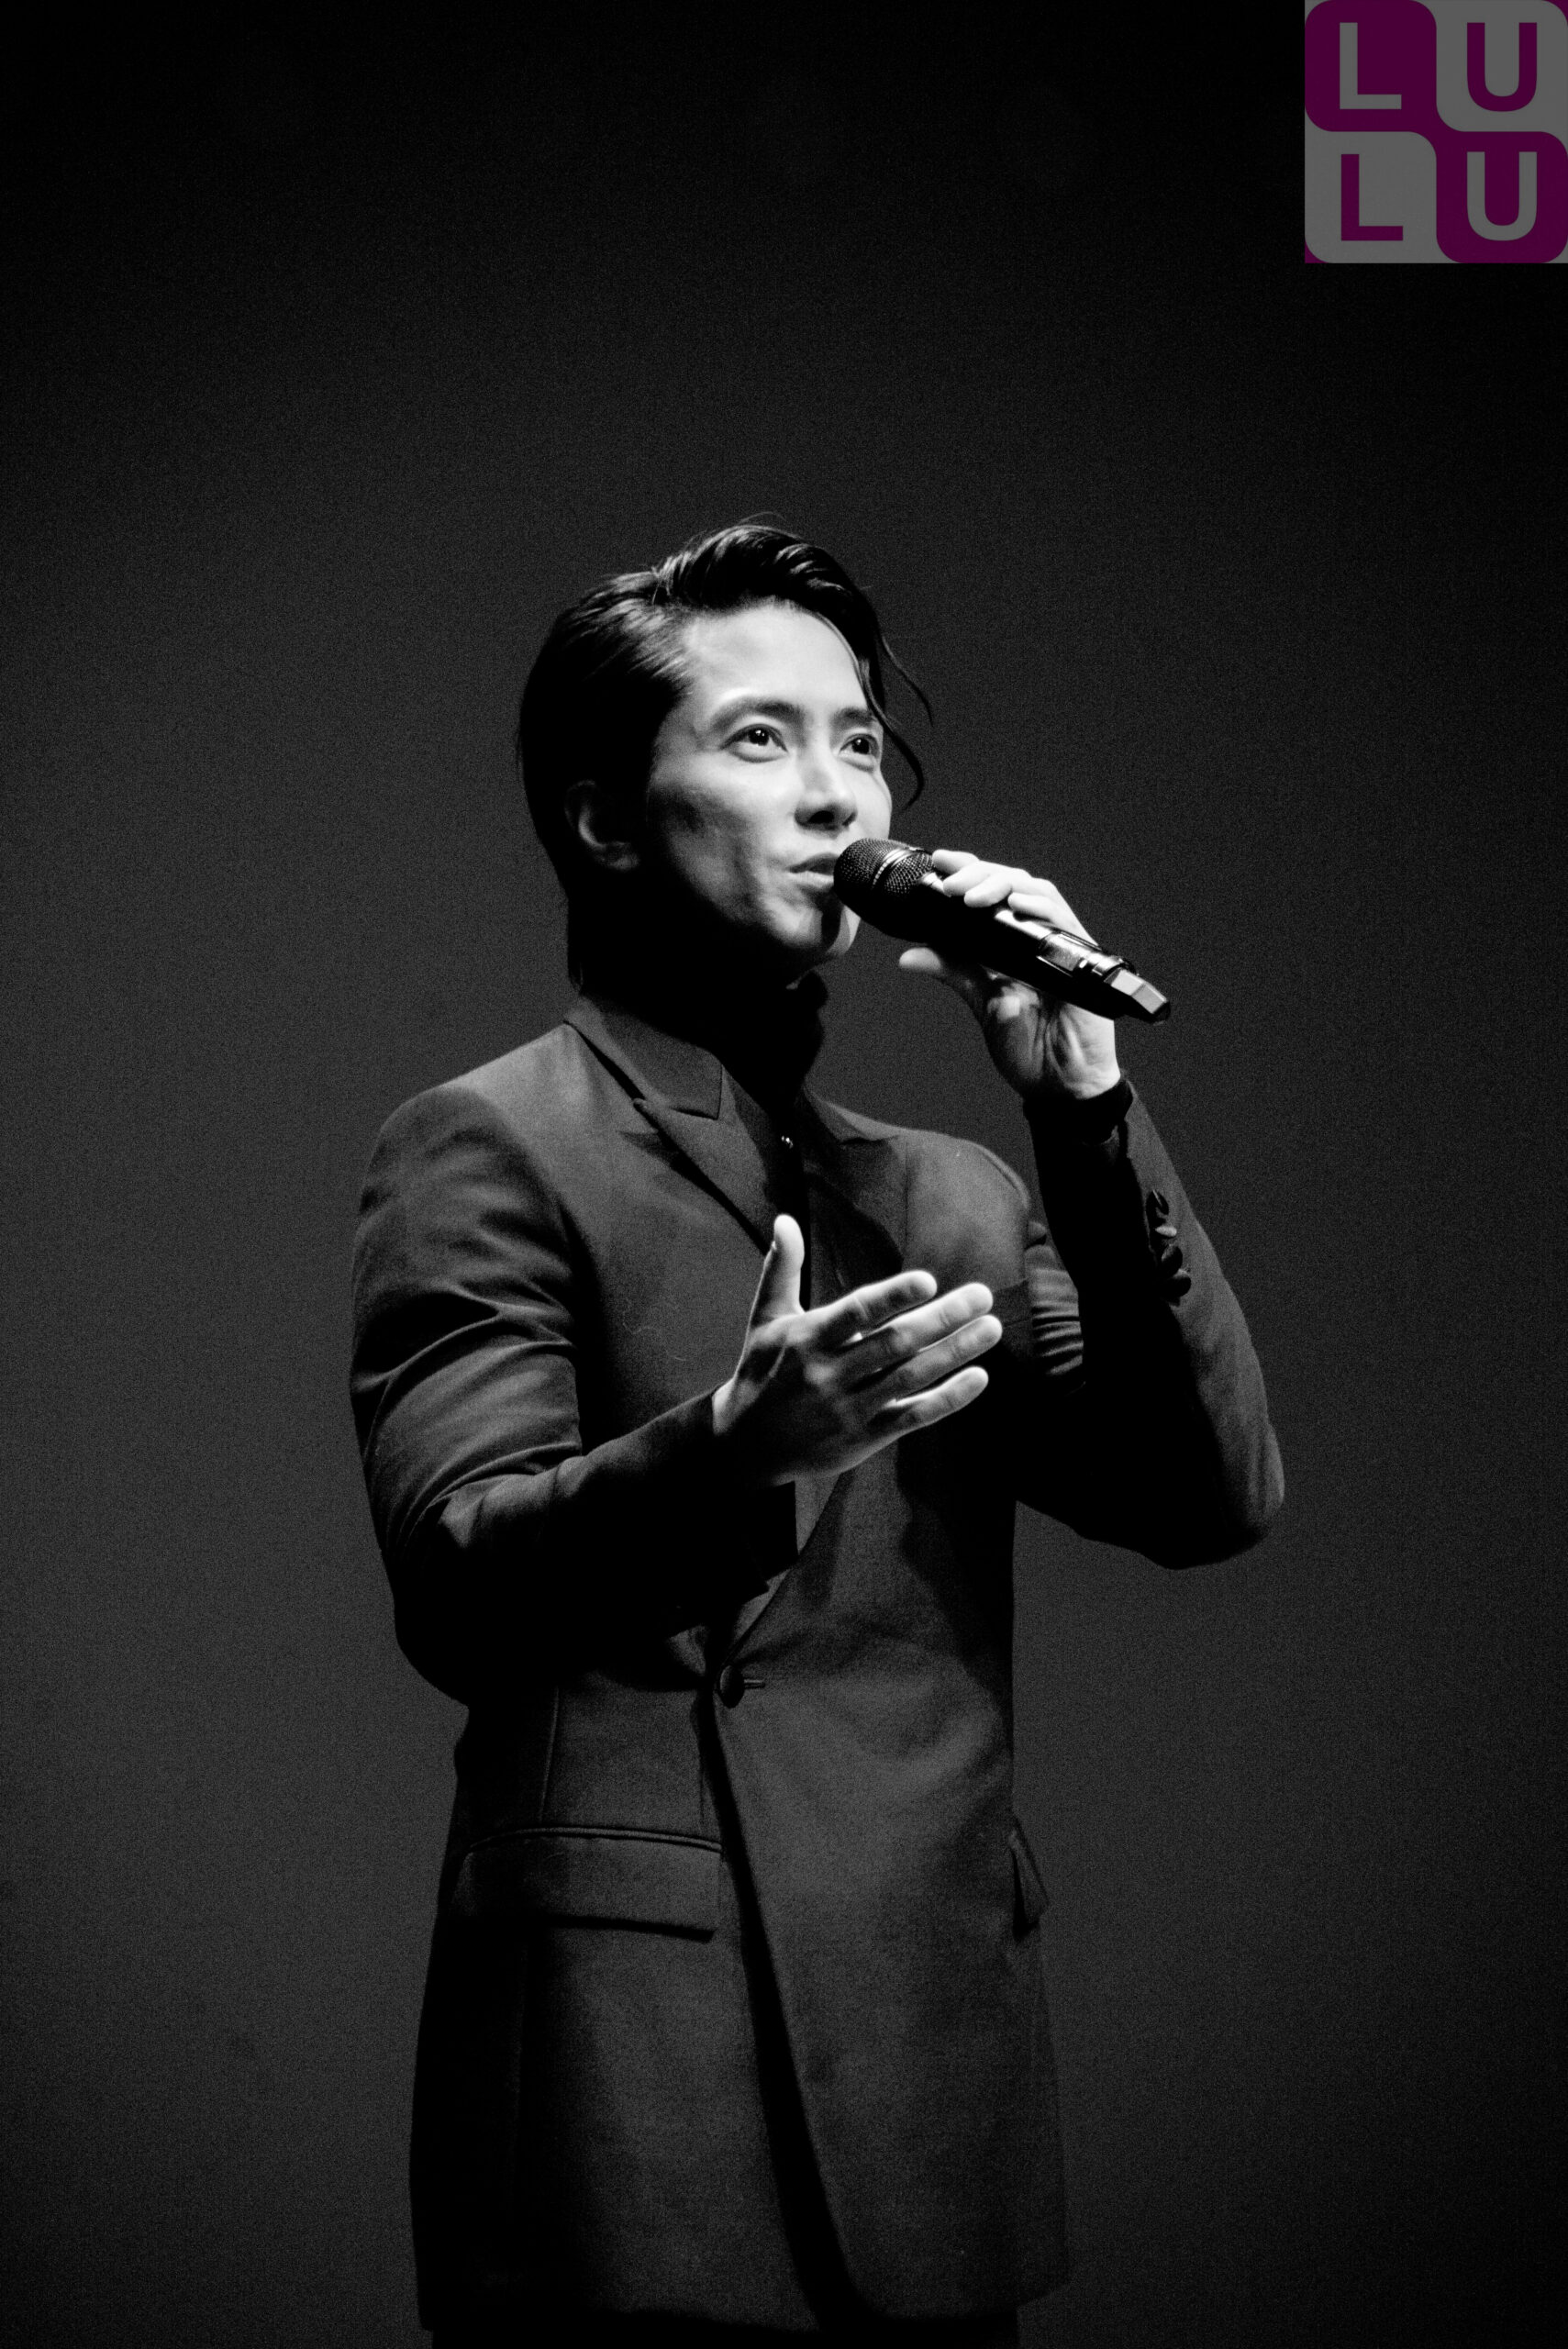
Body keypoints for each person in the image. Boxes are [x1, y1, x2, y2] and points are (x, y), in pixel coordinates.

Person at [350, 523, 1284, 2346]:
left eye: (859, 740)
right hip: (634, 2075)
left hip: (929, 2045)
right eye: (761, 738)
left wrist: (1086, 1112)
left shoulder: (949, 1189)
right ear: (608, 817)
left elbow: (1209, 1492)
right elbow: (455, 1578)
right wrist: (733, 1448)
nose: (837, 794)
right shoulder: (491, 1140)